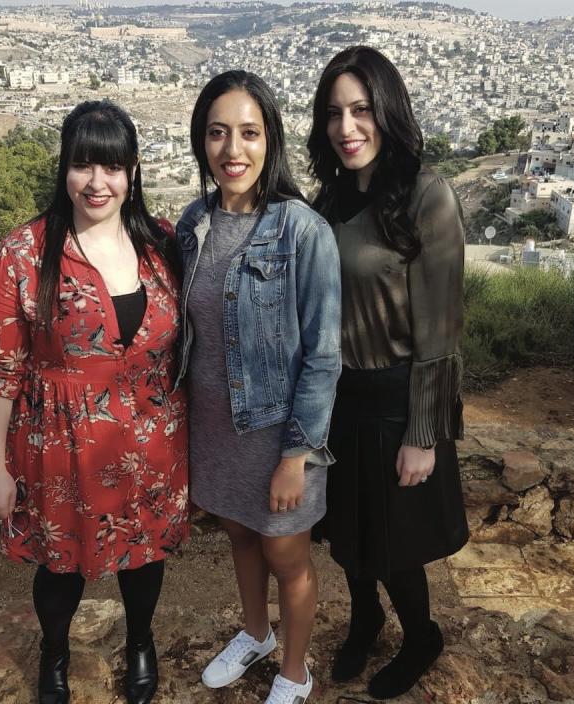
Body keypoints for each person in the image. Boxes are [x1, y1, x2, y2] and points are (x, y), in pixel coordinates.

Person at [0, 100, 188, 704]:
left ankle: (140, 643)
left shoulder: (162, 243)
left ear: (134, 172)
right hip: (60, 446)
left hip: (153, 441)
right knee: (59, 564)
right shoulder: (24, 254)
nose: (98, 183)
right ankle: (55, 654)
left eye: (113, 167)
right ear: (64, 168)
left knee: (143, 557)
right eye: (83, 165)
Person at [307, 46, 470, 700]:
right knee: (349, 532)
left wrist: (423, 434)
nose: (347, 128)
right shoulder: (332, 200)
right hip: (340, 397)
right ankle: (366, 616)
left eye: (362, 110)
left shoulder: (426, 197)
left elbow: (440, 328)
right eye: (334, 114)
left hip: (399, 398)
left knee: (397, 542)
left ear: (387, 112)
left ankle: (421, 633)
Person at [175, 70, 341, 704]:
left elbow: (324, 356)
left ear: (270, 139)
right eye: (217, 134)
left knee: (287, 558)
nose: (232, 150)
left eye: (248, 133)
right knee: (241, 535)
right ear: (201, 142)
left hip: (280, 436)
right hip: (216, 429)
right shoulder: (194, 224)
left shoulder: (302, 231)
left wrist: (296, 457)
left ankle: (295, 673)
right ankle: (255, 634)